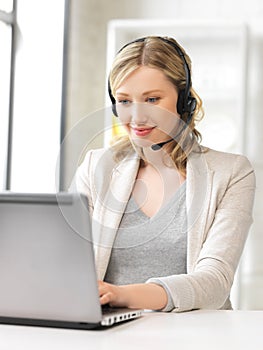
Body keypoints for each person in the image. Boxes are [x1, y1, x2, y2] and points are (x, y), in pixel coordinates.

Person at [71, 36, 256, 312]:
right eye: (124, 101)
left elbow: (214, 283)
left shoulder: (231, 173)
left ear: (184, 102)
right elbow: (66, 260)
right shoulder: (96, 167)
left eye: (152, 99)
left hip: (195, 336)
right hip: (108, 334)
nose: (136, 117)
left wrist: (119, 294)